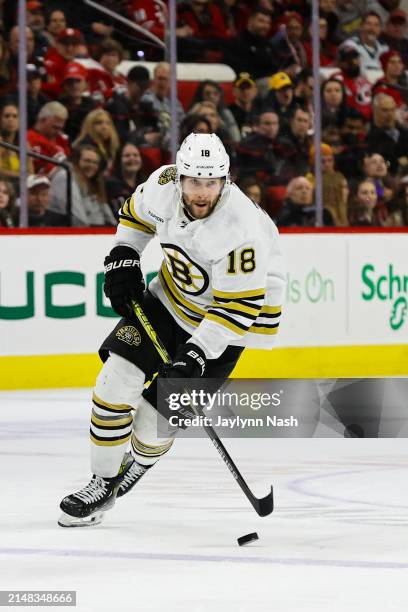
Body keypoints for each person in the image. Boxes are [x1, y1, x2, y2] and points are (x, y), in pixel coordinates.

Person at [58, 133, 286, 527]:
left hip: (227, 327)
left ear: (225, 180)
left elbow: (239, 307)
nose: (201, 192)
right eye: (194, 181)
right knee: (114, 381)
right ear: (180, 176)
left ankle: (140, 462)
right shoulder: (163, 184)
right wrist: (125, 255)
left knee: (152, 422)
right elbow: (134, 217)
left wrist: (197, 354)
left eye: (211, 182)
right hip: (167, 302)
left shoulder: (242, 228)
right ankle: (102, 482)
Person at [49, 144, 116, 227]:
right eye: (87, 161)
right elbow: (77, 215)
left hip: (99, 232)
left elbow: (106, 213)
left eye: (95, 162)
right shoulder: (65, 176)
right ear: (76, 161)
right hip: (81, 233)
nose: (91, 165)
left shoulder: (94, 182)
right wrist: (88, 236)